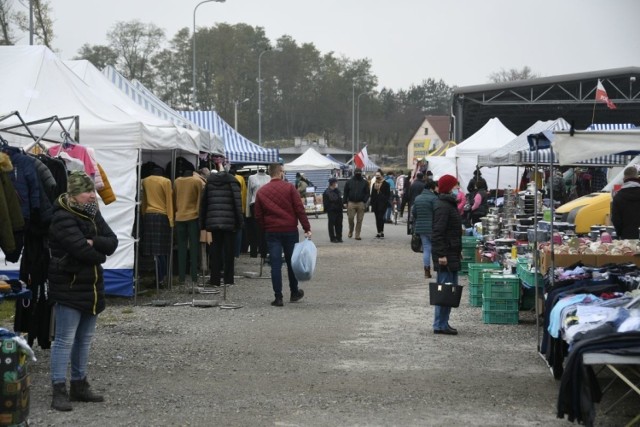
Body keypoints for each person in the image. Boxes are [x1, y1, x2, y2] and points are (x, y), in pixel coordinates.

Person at [48, 171, 118, 411]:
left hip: (92, 287)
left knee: (84, 340)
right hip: (69, 286)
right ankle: (58, 389)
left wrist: (94, 242)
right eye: (88, 191)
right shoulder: (61, 217)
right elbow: (82, 250)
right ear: (74, 194)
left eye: (92, 190)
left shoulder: (92, 213)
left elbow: (113, 241)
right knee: (64, 340)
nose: (92, 194)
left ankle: (79, 384)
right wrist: (97, 250)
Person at [254, 163, 312, 307]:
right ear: (280, 172)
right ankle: (294, 292)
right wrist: (306, 227)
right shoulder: (290, 188)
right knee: (292, 262)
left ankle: (278, 297)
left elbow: (258, 215)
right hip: (289, 230)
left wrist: (265, 228)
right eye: (283, 171)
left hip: (272, 232)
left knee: (275, 264)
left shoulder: (261, 192)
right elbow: (299, 209)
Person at [200, 165, 244, 287]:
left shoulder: (210, 182)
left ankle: (215, 279)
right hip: (229, 223)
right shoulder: (232, 182)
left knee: (215, 252)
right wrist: (240, 222)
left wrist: (203, 223)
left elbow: (204, 203)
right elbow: (237, 203)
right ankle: (228, 279)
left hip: (213, 222)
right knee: (229, 252)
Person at [431, 174, 462, 336]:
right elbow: (438, 232)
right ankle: (440, 324)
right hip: (446, 255)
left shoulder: (448, 204)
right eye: (455, 186)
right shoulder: (444, 206)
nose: (457, 188)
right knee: (444, 291)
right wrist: (441, 255)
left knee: (448, 291)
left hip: (452, 252)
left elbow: (452, 232)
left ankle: (443, 322)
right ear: (449, 187)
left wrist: (458, 250)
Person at [412, 180, 438, 278]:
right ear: (431, 188)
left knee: (426, 249)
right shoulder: (434, 198)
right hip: (433, 227)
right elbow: (437, 212)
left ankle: (427, 270)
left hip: (421, 227)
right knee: (435, 248)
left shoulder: (417, 198)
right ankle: (437, 268)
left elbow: (414, 212)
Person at [611, 166, 640, 239]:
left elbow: (615, 219)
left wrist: (619, 233)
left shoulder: (618, 196)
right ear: (637, 177)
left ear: (624, 178)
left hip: (626, 235)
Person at [342, 167, 369, 240]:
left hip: (361, 203)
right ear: (354, 173)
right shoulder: (349, 182)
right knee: (350, 218)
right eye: (357, 173)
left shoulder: (365, 182)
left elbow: (367, 193)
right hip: (351, 202)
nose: (358, 174)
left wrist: (364, 201)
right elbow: (345, 192)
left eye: (359, 173)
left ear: (361, 173)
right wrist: (344, 202)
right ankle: (351, 230)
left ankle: (357, 235)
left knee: (359, 220)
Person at [370, 171, 391, 238]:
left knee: (380, 217)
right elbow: (372, 195)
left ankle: (381, 231)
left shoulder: (386, 184)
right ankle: (378, 232)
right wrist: (372, 204)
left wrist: (380, 191)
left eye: (378, 175)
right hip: (376, 204)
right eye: (376, 175)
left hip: (382, 204)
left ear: (382, 175)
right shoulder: (374, 184)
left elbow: (387, 195)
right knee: (377, 218)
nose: (377, 177)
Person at [323, 177, 343, 243]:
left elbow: (340, 199)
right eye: (335, 182)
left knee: (339, 224)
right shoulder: (326, 192)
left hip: (339, 210)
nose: (336, 184)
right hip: (332, 211)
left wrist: (341, 206)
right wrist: (330, 209)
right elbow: (326, 203)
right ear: (332, 183)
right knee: (331, 225)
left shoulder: (337, 191)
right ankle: (332, 238)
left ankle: (339, 237)